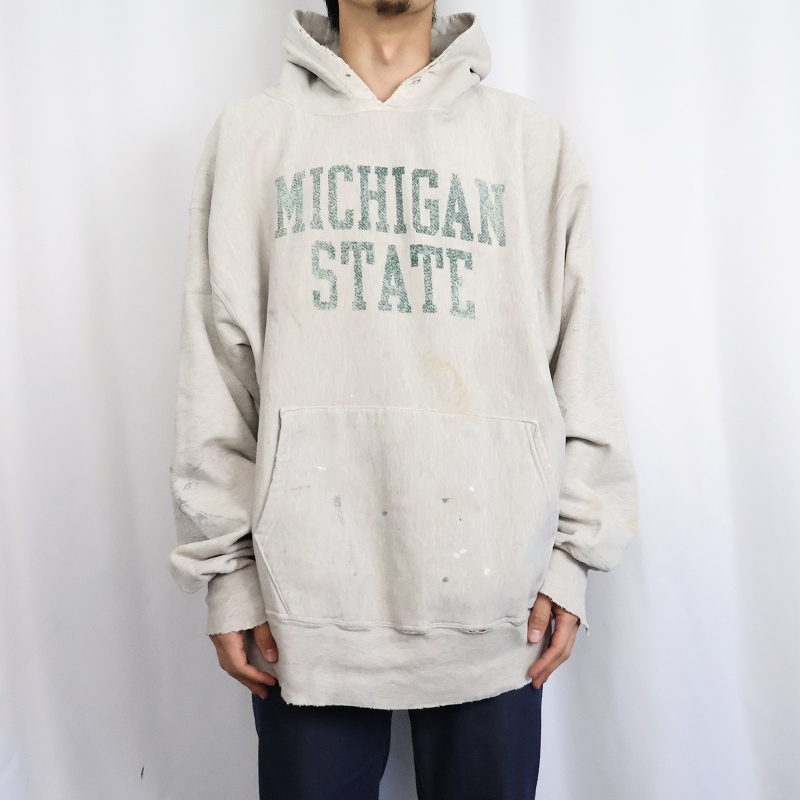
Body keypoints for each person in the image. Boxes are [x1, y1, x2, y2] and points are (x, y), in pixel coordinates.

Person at [167, 1, 639, 797]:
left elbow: (579, 358)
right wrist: (229, 573)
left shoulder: (531, 143)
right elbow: (217, 369)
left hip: (500, 604)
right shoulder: (253, 137)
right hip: (302, 612)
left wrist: (570, 559)